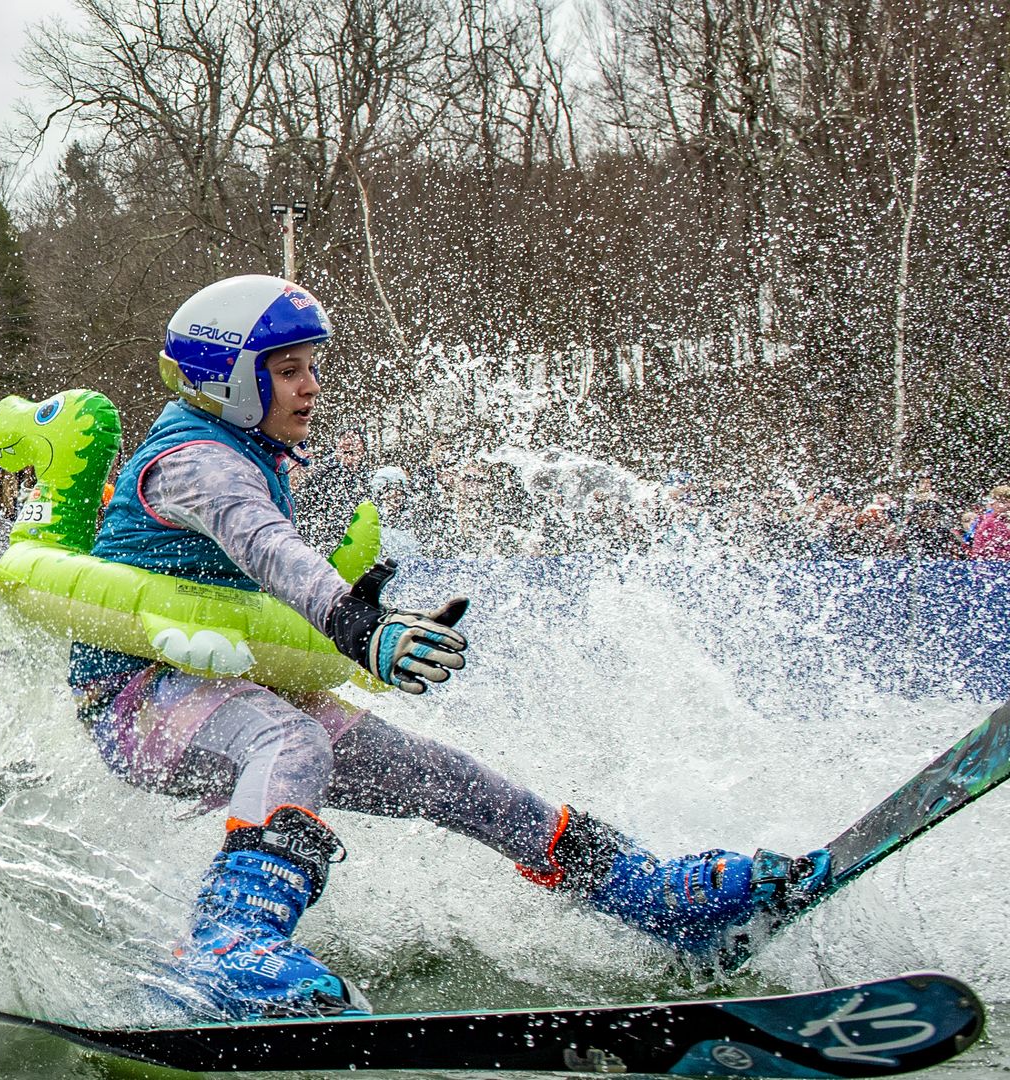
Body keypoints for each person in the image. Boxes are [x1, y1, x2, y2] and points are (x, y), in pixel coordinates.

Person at [72, 275, 822, 1020]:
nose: (312, 387)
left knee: (444, 778)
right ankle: (228, 944)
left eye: (313, 366)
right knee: (294, 741)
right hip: (139, 704)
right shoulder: (199, 464)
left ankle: (641, 889)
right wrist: (362, 626)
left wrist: (372, 619)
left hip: (231, 688)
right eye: (289, 369)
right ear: (230, 379)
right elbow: (268, 549)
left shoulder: (249, 448)